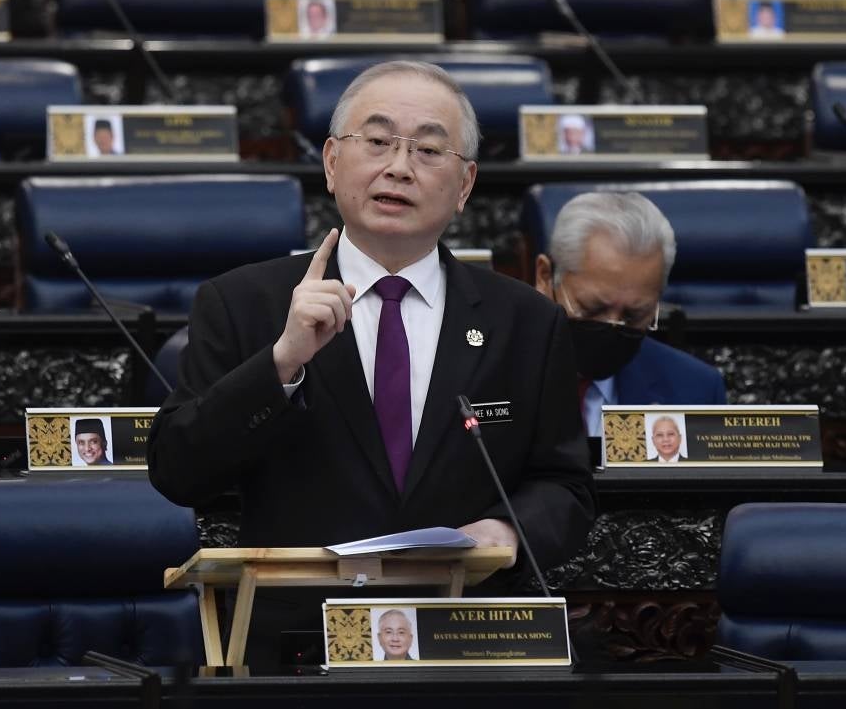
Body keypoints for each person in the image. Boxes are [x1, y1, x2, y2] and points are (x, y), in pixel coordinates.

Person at [148, 60, 595, 667]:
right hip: (297, 649)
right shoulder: (243, 302)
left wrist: (510, 530)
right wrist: (282, 364)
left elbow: (564, 484)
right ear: (332, 162)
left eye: (430, 150)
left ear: (465, 186)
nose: (399, 167)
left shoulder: (524, 322)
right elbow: (178, 471)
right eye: (378, 142)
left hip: (466, 639)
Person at [534, 191, 727, 437]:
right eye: (593, 308)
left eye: (634, 314)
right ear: (545, 277)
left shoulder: (695, 390)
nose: (612, 325)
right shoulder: (486, 373)